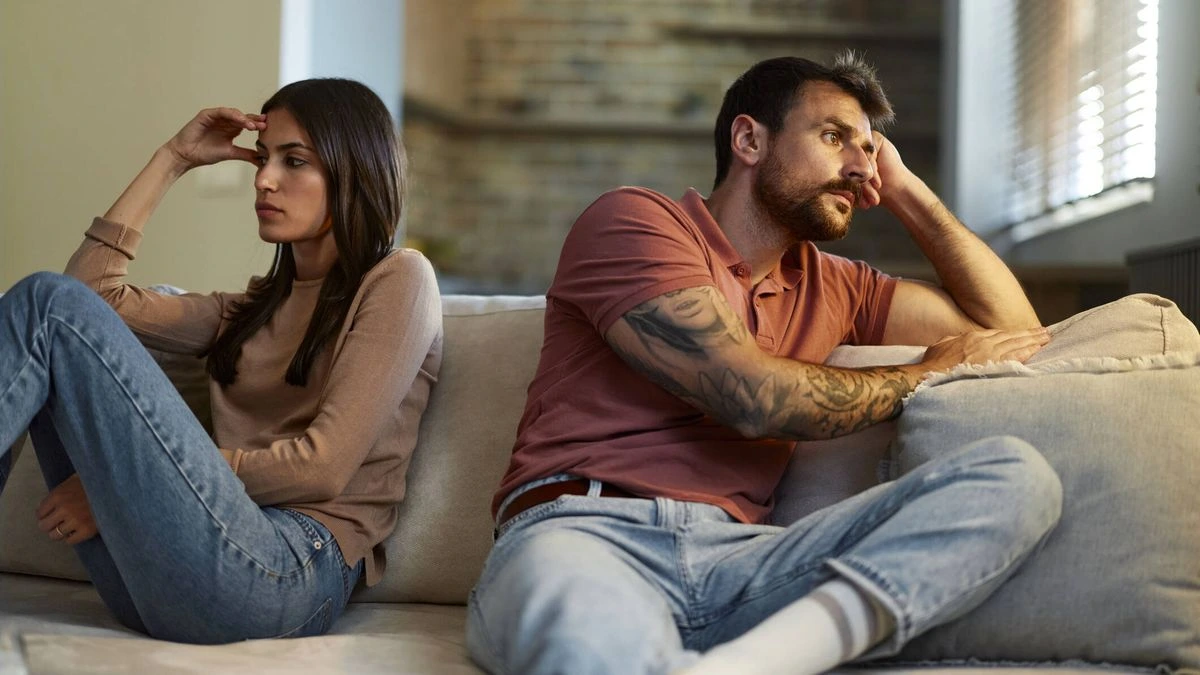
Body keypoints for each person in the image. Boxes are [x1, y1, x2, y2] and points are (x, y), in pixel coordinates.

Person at [466, 53, 1062, 674]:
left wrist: (907, 190)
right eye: (834, 137)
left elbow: (1016, 331)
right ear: (750, 139)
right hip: (586, 535)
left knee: (1017, 478)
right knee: (592, 651)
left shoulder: (839, 285)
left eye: (870, 151)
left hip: (745, 559)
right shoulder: (636, 222)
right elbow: (748, 396)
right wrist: (922, 374)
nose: (860, 168)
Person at [0, 78, 442, 643]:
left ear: (354, 168)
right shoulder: (248, 310)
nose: (263, 178)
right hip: (164, 576)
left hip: (286, 570)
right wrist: (173, 159)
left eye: (294, 160)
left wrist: (135, 480)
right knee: (46, 304)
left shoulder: (399, 279)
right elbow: (87, 296)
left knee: (47, 302)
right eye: (262, 158)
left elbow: (321, 466)